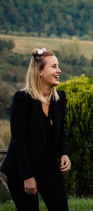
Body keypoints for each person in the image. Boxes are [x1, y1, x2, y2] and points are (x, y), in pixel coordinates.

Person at [1, 48, 71, 211]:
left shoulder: (59, 99)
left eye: (58, 66)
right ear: (40, 71)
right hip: (22, 171)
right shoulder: (22, 99)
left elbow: (61, 132)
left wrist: (64, 153)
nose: (59, 70)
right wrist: (28, 176)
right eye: (54, 67)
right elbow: (19, 141)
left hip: (50, 169)